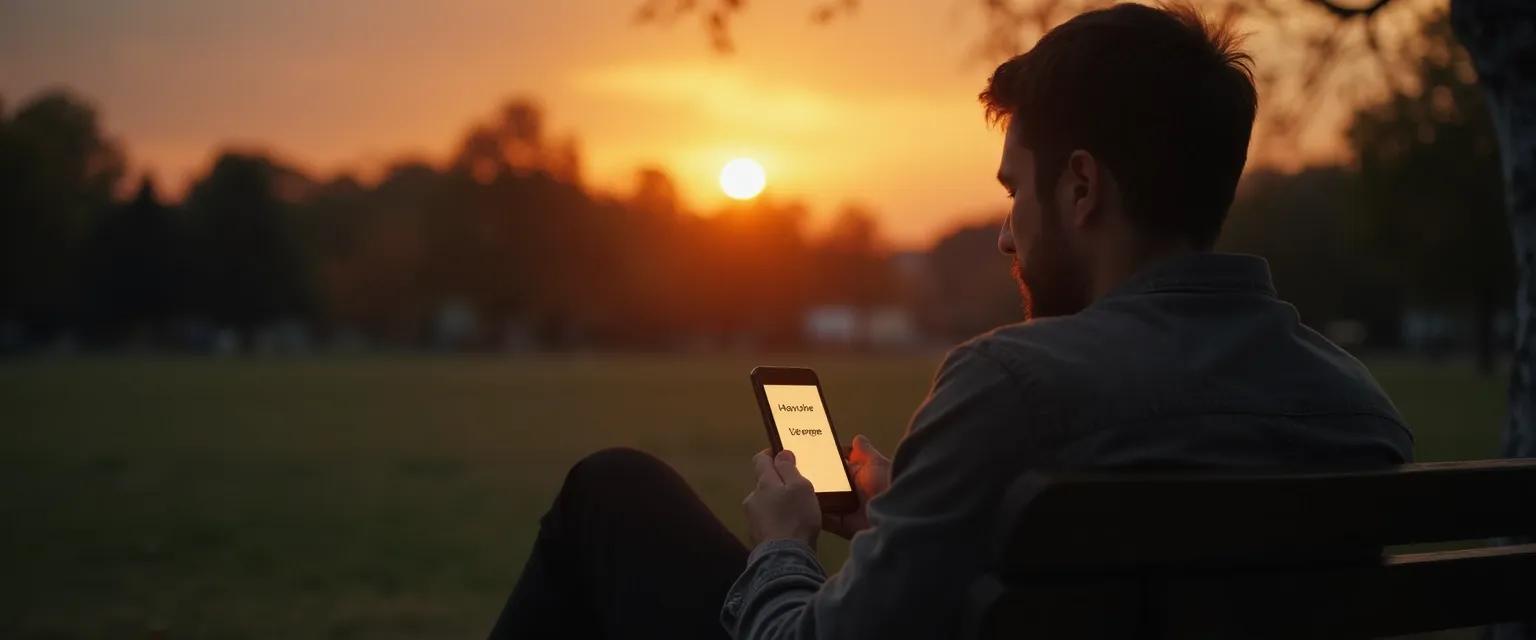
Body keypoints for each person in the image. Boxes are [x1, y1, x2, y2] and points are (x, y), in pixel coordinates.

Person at [487, 3, 1414, 638]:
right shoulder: (1357, 411)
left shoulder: (1012, 385)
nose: (1009, 235)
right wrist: (913, 513)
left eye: (1016, 193)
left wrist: (781, 547)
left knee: (611, 494)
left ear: (1082, 187)